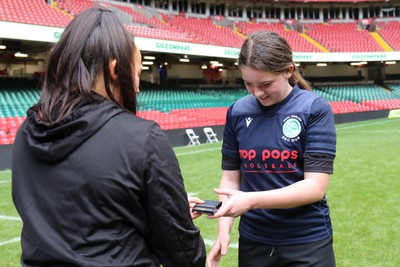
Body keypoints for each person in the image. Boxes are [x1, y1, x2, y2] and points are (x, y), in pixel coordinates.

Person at [11, 7, 206, 267]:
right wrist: (171, 220)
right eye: (138, 72)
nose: (137, 86)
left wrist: (157, 216)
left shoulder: (27, 131)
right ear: (115, 70)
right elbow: (183, 253)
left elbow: (80, 225)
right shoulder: (142, 137)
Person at [207, 30, 337, 267]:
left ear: (288, 70)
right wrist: (223, 231)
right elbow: (230, 179)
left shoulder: (314, 109)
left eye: (266, 84)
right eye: (248, 83)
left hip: (307, 241)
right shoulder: (237, 112)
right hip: (254, 241)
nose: (257, 92)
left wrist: (252, 200)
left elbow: (315, 187)